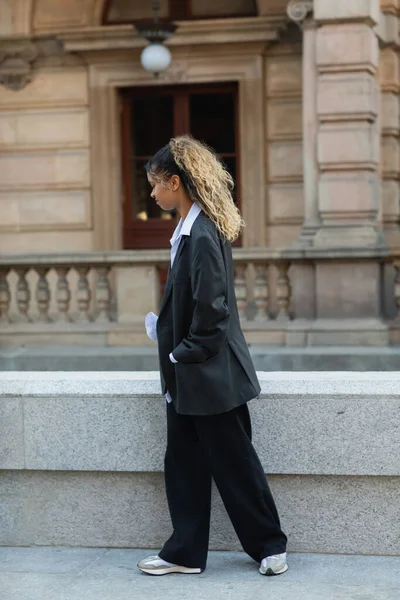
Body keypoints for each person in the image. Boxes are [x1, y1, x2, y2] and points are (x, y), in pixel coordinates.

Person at [138, 135, 288, 577]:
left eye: (155, 185)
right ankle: (184, 554)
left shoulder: (201, 233)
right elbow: (194, 303)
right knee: (183, 462)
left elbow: (213, 310)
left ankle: (269, 547)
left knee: (234, 463)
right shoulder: (189, 229)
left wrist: (183, 353)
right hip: (191, 374)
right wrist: (163, 331)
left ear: (175, 182)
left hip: (209, 374)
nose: (152, 194)